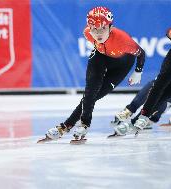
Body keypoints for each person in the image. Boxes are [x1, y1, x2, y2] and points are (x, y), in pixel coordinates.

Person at [38, 6, 146, 142]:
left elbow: (141, 53)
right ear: (89, 28)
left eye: (102, 29)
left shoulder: (123, 40)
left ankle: (66, 125)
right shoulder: (87, 33)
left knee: (96, 95)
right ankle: (82, 124)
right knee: (89, 92)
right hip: (101, 57)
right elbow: (98, 41)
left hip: (122, 64)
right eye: (94, 29)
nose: (98, 33)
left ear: (110, 27)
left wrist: (138, 71)